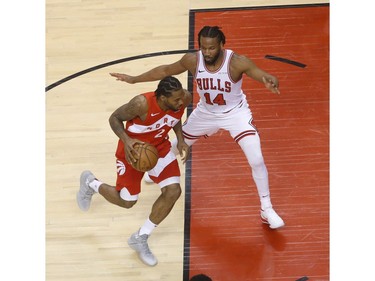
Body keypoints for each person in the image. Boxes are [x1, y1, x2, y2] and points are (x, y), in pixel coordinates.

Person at [110, 25, 285, 229]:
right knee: (177, 145)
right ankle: (153, 167)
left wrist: (268, 79)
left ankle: (266, 208)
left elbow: (258, 73)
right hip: (205, 113)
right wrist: (135, 79)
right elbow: (166, 70)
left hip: (235, 114)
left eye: (211, 48)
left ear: (221, 44)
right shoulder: (193, 60)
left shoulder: (237, 62)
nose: (207, 52)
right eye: (203, 48)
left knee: (256, 159)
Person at [76, 76, 192, 267]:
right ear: (162, 98)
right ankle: (91, 183)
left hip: (159, 148)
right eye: (176, 100)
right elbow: (114, 118)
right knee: (127, 201)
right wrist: (126, 140)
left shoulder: (183, 98)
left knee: (173, 191)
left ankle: (140, 237)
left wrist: (179, 138)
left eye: (181, 98)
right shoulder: (141, 104)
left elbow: (176, 117)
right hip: (133, 152)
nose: (182, 102)